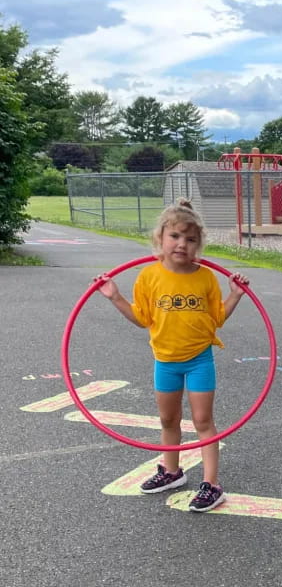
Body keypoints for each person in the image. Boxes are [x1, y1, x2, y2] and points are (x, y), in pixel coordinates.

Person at [95, 199, 249, 512]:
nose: (182, 244)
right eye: (175, 236)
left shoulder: (205, 277)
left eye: (191, 239)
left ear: (198, 245)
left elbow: (216, 318)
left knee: (203, 420)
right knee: (168, 419)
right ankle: (171, 471)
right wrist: (115, 297)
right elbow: (142, 318)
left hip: (199, 359)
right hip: (165, 360)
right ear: (160, 239)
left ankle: (212, 484)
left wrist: (234, 295)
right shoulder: (149, 277)